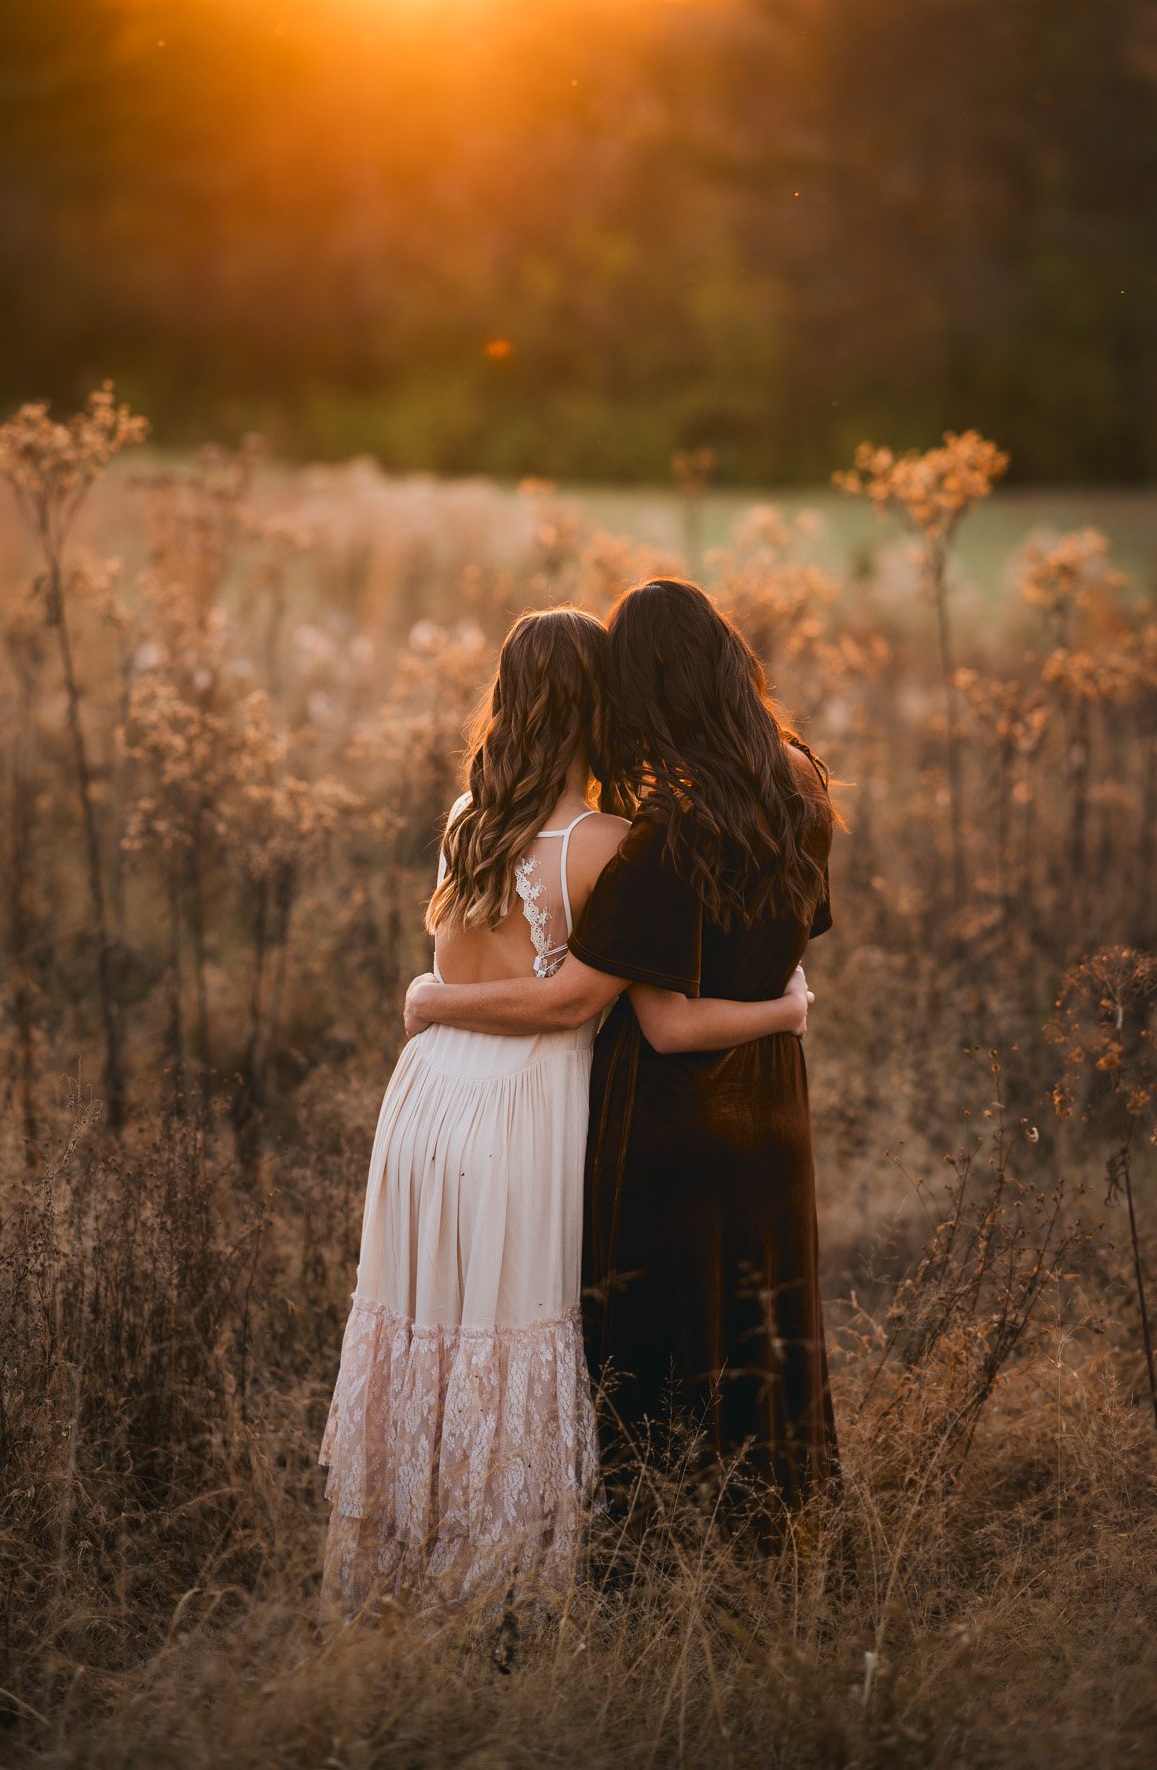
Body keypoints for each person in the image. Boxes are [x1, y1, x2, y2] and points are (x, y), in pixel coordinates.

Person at [321, 605, 808, 1619]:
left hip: (426, 1102)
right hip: (522, 1101)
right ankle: (500, 1589)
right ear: (600, 706)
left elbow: (460, 967)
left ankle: (401, 1568)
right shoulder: (608, 845)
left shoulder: (468, 817)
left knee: (428, 1330)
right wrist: (784, 1005)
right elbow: (576, 1002)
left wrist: (429, 1003)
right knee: (507, 1327)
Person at [405, 578, 838, 1509]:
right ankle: (785, 1534)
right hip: (772, 1103)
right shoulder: (798, 782)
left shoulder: (663, 832)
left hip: (667, 1118)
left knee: (658, 1346)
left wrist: (432, 1000)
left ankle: (655, 1549)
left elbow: (663, 1021)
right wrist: (787, 1012)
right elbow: (791, 945)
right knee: (771, 1323)